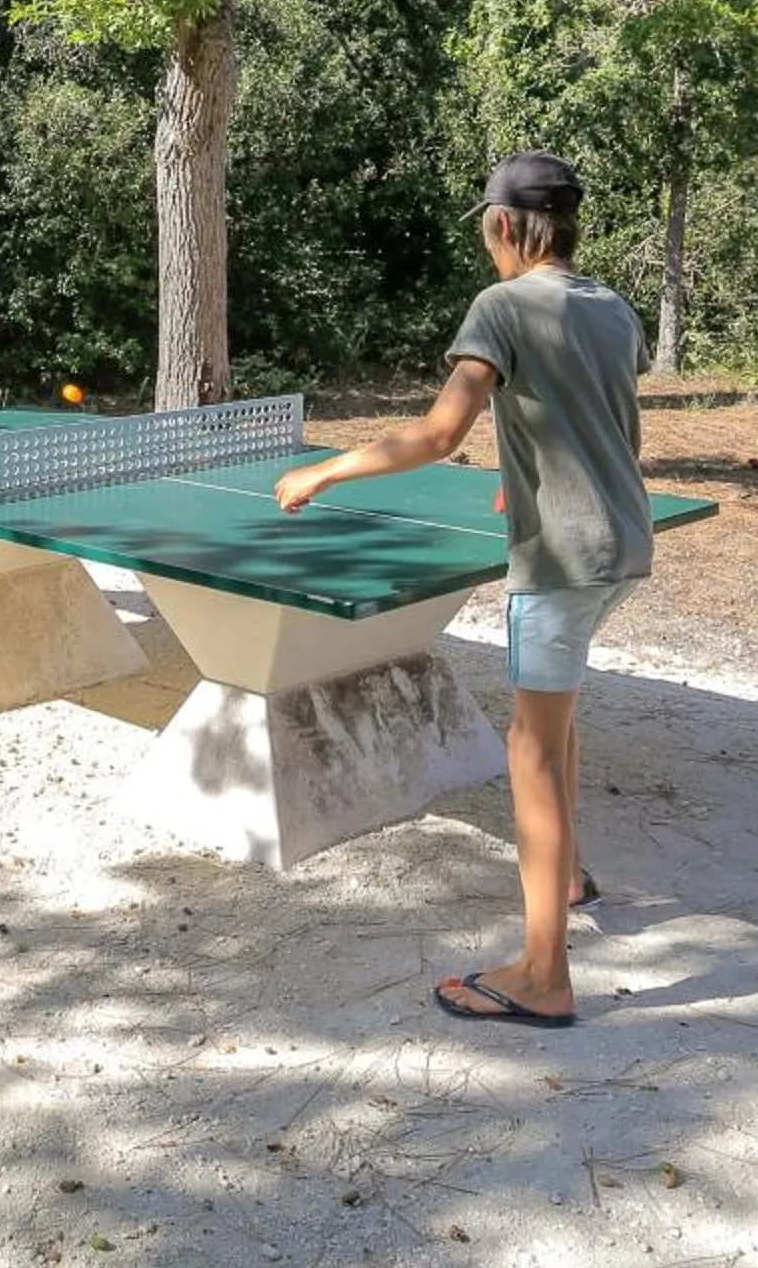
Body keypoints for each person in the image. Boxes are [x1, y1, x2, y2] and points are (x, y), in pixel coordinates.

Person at [273, 151, 650, 1030]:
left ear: (509, 227)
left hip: (561, 559)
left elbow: (441, 433)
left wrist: (327, 470)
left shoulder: (502, 307)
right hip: (623, 544)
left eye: (489, 230)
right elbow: (607, 425)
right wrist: (529, 477)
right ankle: (567, 876)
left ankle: (544, 975)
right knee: (554, 728)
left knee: (528, 747)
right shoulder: (612, 307)